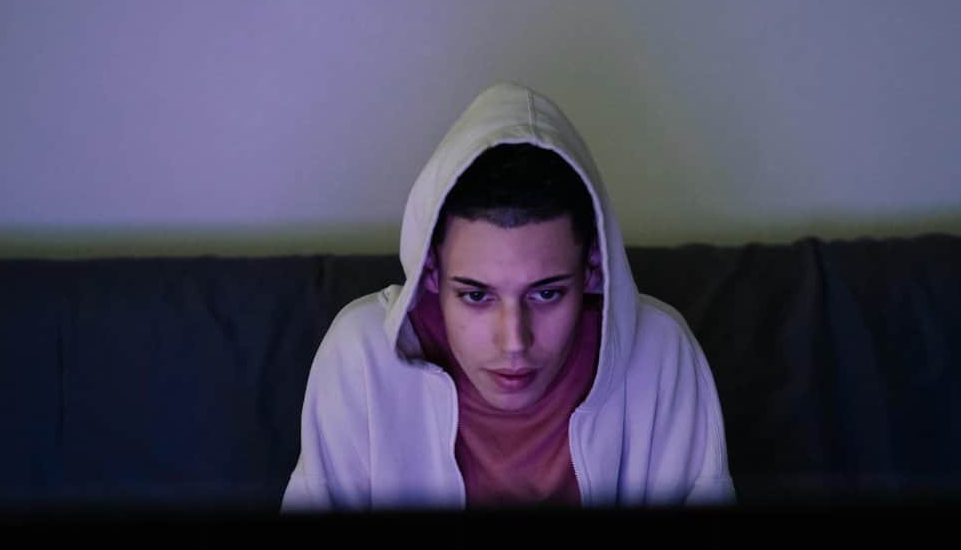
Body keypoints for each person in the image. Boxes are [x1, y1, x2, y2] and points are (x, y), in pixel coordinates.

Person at [281, 81, 734, 510]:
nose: (514, 341)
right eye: (476, 296)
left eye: (547, 294)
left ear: (594, 270)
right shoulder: (361, 357)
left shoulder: (661, 354)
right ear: (431, 271)